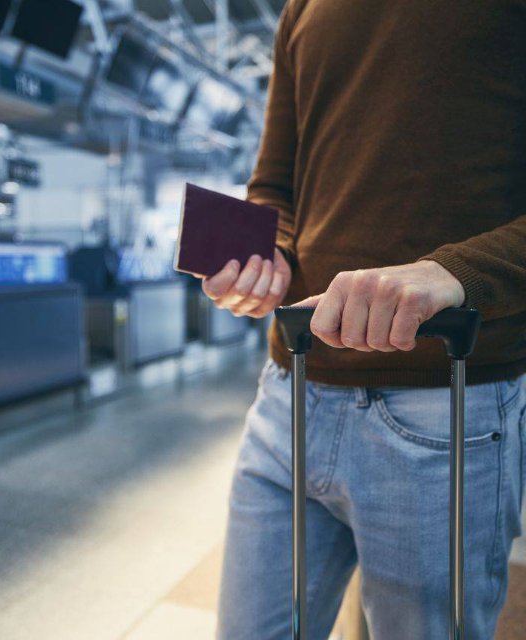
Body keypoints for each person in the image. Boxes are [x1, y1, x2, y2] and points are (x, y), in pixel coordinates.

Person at [200, 1, 526, 638]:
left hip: (445, 406)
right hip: (287, 394)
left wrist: (456, 272)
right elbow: (275, 183)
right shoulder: (303, 7)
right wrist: (273, 252)